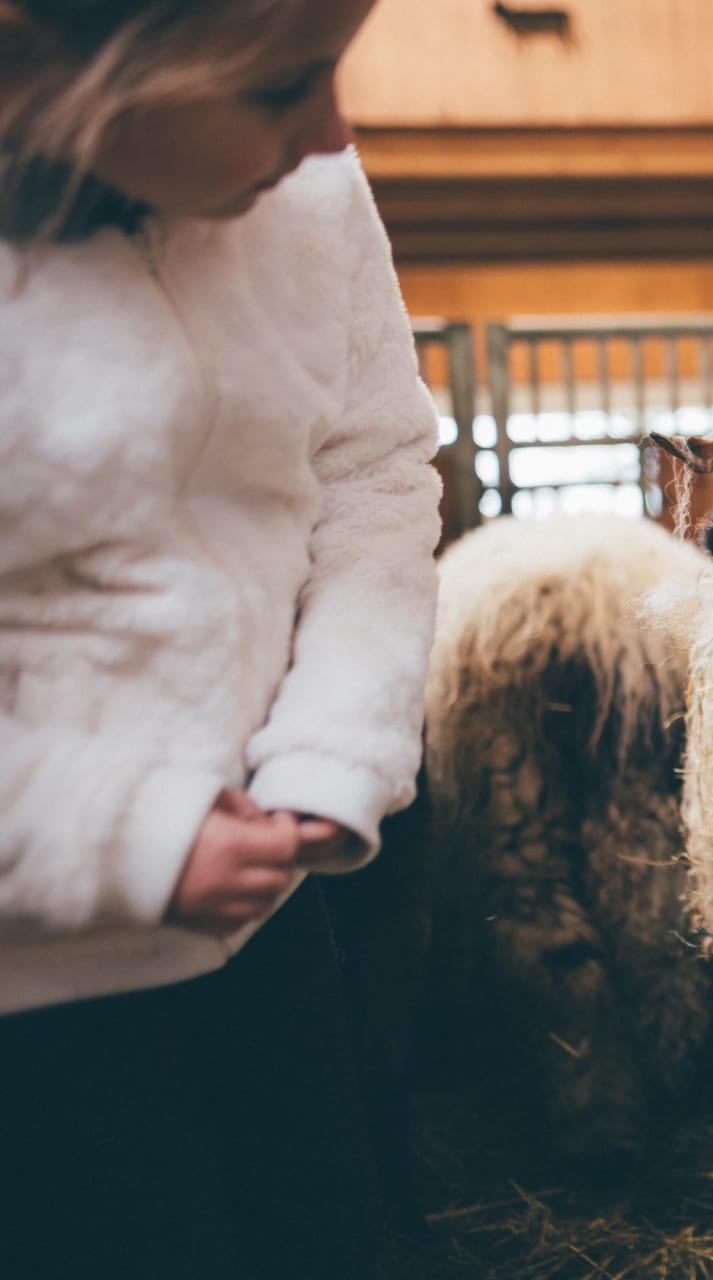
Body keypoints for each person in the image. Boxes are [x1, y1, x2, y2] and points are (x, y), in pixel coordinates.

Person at [0, 2, 440, 1276]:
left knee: (321, 1233)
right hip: (38, 980)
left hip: (273, 895)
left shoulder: (313, 190)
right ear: (73, 64)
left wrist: (334, 755)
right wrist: (125, 833)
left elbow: (374, 468)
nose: (334, 130)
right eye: (280, 86)